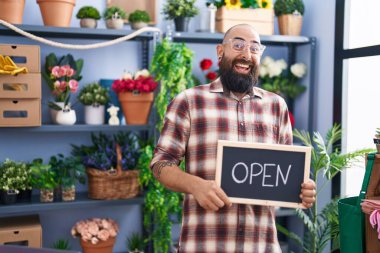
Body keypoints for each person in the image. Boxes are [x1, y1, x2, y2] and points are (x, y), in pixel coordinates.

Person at [150, 24, 316, 253]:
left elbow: (284, 174)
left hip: (261, 246)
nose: (246, 55)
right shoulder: (189, 101)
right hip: (203, 245)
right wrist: (195, 185)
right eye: (238, 45)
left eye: (254, 48)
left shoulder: (276, 107)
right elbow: (160, 163)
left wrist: (302, 190)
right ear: (220, 51)